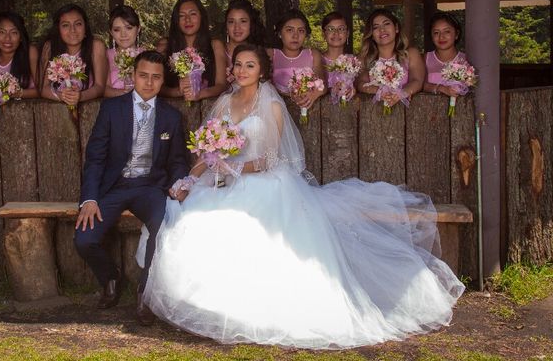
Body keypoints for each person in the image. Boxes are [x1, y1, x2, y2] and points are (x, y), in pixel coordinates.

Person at [143, 43, 464, 348]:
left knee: (243, 227)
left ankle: (250, 306)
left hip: (261, 182)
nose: (242, 70)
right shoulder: (225, 103)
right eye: (238, 65)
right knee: (190, 217)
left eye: (249, 65)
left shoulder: (270, 105)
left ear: (261, 71)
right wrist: (190, 178)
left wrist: (235, 169)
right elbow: (206, 151)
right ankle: (203, 301)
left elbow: (270, 157)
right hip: (220, 180)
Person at [74, 50, 190, 325]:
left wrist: (179, 185)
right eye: (143, 75)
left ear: (163, 81)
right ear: (133, 76)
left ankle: (146, 293)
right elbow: (95, 158)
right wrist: (89, 199)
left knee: (162, 228)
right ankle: (111, 277)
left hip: (150, 187)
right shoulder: (112, 109)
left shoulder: (171, 118)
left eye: (156, 77)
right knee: (84, 239)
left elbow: (177, 161)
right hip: (114, 186)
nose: (149, 83)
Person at [160, 0, 227, 101]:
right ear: (176, 20)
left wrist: (199, 94)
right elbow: (156, 86)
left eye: (193, 14)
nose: (187, 20)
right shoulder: (165, 45)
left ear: (202, 16)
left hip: (207, 110)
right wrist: (177, 91)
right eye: (182, 16)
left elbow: (222, 85)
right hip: (171, 110)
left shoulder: (215, 45)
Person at [39, 4, 107, 107]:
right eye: (66, 25)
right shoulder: (50, 47)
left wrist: (80, 96)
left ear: (85, 27)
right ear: (58, 29)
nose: (72, 30)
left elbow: (100, 87)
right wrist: (62, 96)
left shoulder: (96, 46)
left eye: (78, 24)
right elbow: (43, 88)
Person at [357, 9, 425, 106]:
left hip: (407, 114)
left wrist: (401, 94)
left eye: (386, 24)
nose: (382, 30)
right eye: (376, 27)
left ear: (396, 28)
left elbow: (417, 81)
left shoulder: (410, 54)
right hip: (373, 113)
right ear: (371, 34)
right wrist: (380, 91)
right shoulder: (365, 57)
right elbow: (360, 83)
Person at [269, 8, 326, 109]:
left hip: (310, 112)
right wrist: (289, 95)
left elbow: (323, 84)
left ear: (306, 34)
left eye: (301, 31)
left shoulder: (313, 54)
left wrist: (313, 95)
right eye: (289, 30)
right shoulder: (271, 55)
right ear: (279, 33)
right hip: (278, 112)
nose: (295, 36)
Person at [0, 11, 39, 98]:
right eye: (2, 32)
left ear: (21, 37)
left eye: (14, 32)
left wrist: (19, 93)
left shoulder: (30, 52)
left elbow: (43, 90)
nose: (7, 38)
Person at [423, 11, 470, 96]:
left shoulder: (466, 59)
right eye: (436, 33)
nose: (441, 37)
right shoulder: (425, 59)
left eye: (447, 31)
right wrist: (441, 88)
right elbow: (420, 84)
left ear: (456, 34)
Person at [223, 0, 266, 82]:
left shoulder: (260, 52)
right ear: (226, 26)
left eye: (243, 21)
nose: (237, 27)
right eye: (231, 22)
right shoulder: (219, 49)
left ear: (251, 24)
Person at [104, 5, 141, 98]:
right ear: (111, 32)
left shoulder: (147, 55)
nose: (123, 34)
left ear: (138, 29)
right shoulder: (105, 56)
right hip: (114, 107)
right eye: (117, 30)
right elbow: (102, 89)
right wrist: (125, 95)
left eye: (129, 28)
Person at [320, 11, 356, 100]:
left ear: (347, 33)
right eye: (330, 29)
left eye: (341, 29)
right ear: (323, 34)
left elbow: (360, 84)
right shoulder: (317, 60)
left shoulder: (354, 61)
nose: (336, 33)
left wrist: (354, 90)